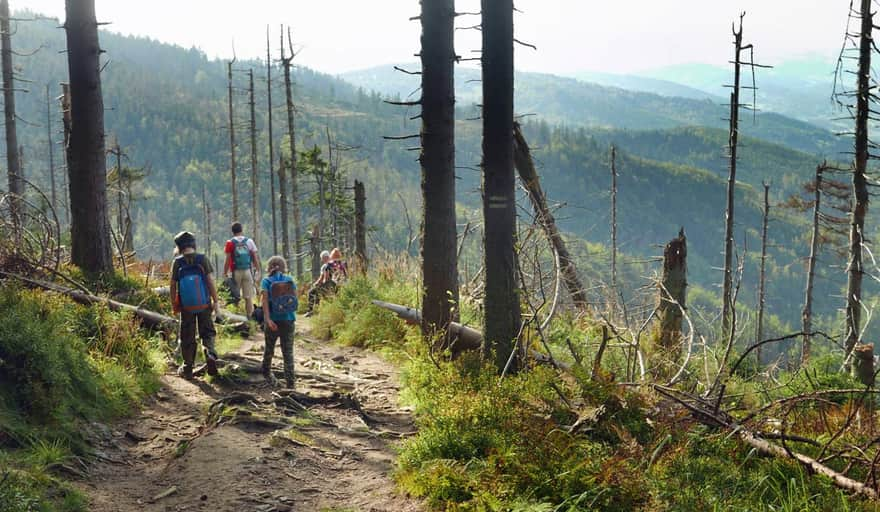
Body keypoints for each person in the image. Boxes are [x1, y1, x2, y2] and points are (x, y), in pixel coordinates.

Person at [170, 231, 220, 380]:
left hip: (186, 306)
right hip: (204, 303)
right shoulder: (202, 259)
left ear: (179, 247)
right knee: (207, 331)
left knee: (187, 335)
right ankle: (209, 352)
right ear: (193, 244)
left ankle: (188, 367)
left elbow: (172, 285)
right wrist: (215, 301)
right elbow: (210, 281)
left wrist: (174, 304)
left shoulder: (178, 262)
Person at [260, 256, 297, 388]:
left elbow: (264, 301)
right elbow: (294, 300)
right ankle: (290, 384)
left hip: (273, 321)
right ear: (283, 267)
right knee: (288, 352)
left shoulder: (266, 281)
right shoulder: (290, 280)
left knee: (269, 350)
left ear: (269, 267)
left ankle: (267, 374)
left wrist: (268, 319)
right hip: (288, 320)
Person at [224, 222, 261, 318]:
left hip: (236, 271)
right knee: (248, 297)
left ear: (232, 231)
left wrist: (225, 272)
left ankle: (236, 317)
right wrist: (257, 269)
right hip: (248, 271)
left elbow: (228, 259)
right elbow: (255, 257)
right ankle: (250, 316)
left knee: (235, 296)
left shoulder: (230, 242)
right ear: (242, 230)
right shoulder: (249, 241)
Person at [305, 250, 335, 317]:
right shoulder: (335, 264)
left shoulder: (325, 266)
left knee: (311, 292)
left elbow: (322, 279)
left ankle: (310, 311)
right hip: (334, 287)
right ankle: (317, 311)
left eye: (322, 258)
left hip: (326, 286)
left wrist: (315, 283)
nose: (321, 260)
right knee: (318, 293)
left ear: (325, 257)